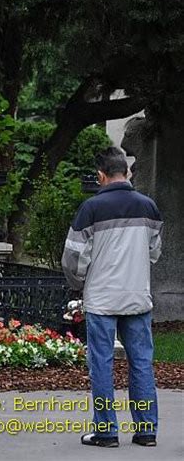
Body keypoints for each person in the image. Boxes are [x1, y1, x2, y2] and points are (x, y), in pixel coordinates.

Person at [61, 146, 163, 448]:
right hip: (137, 296)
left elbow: (73, 259)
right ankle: (146, 431)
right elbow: (154, 252)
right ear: (127, 172)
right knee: (142, 362)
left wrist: (78, 283)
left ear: (100, 175)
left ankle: (106, 431)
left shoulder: (91, 209)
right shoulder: (149, 207)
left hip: (102, 299)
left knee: (102, 364)